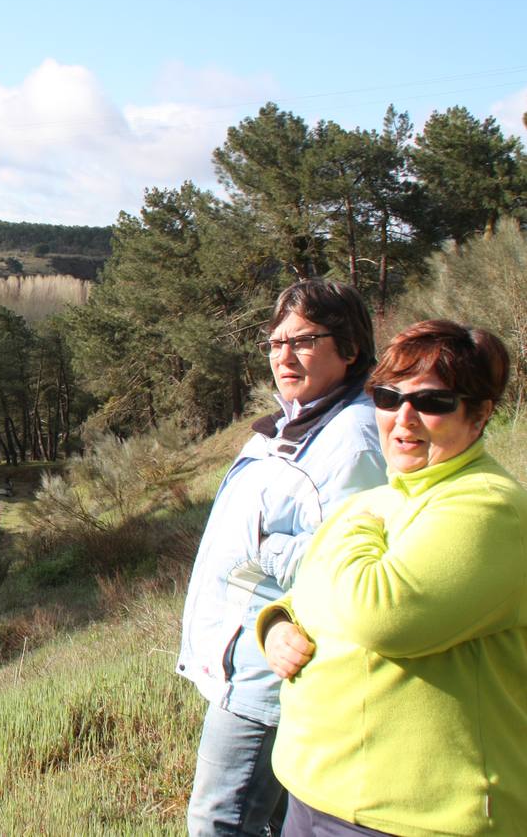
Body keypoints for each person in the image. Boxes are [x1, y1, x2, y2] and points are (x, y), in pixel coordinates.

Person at [259, 320, 527, 835]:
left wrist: (354, 521)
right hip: (315, 793)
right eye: (387, 396)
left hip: (415, 816)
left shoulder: (488, 507)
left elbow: (383, 616)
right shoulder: (392, 496)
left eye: (433, 403)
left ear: (480, 414)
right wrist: (276, 624)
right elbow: (304, 591)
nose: (404, 420)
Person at [178, 279, 385, 836]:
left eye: (304, 340)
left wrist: (265, 556)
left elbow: (353, 561)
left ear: (350, 349)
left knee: (218, 821)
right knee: (269, 822)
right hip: (241, 656)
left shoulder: (354, 439)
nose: (283, 355)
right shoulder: (288, 426)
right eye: (274, 342)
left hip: (269, 672)